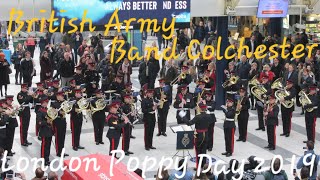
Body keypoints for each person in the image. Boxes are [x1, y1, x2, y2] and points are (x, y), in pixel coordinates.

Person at [184, 103, 214, 170]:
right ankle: (204, 165)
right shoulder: (208, 116)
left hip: (199, 135)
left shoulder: (198, 116)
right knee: (204, 151)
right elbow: (211, 123)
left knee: (198, 151)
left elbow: (189, 123)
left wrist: (184, 117)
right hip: (206, 134)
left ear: (200, 108)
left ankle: (198, 166)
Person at [50, 91, 69, 157]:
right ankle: (58, 152)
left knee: (62, 137)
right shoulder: (54, 103)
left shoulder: (65, 103)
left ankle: (62, 151)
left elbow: (68, 110)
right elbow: (51, 112)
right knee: (58, 137)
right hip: (57, 121)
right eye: (59, 96)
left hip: (63, 120)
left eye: (61, 96)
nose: (60, 97)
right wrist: (59, 112)